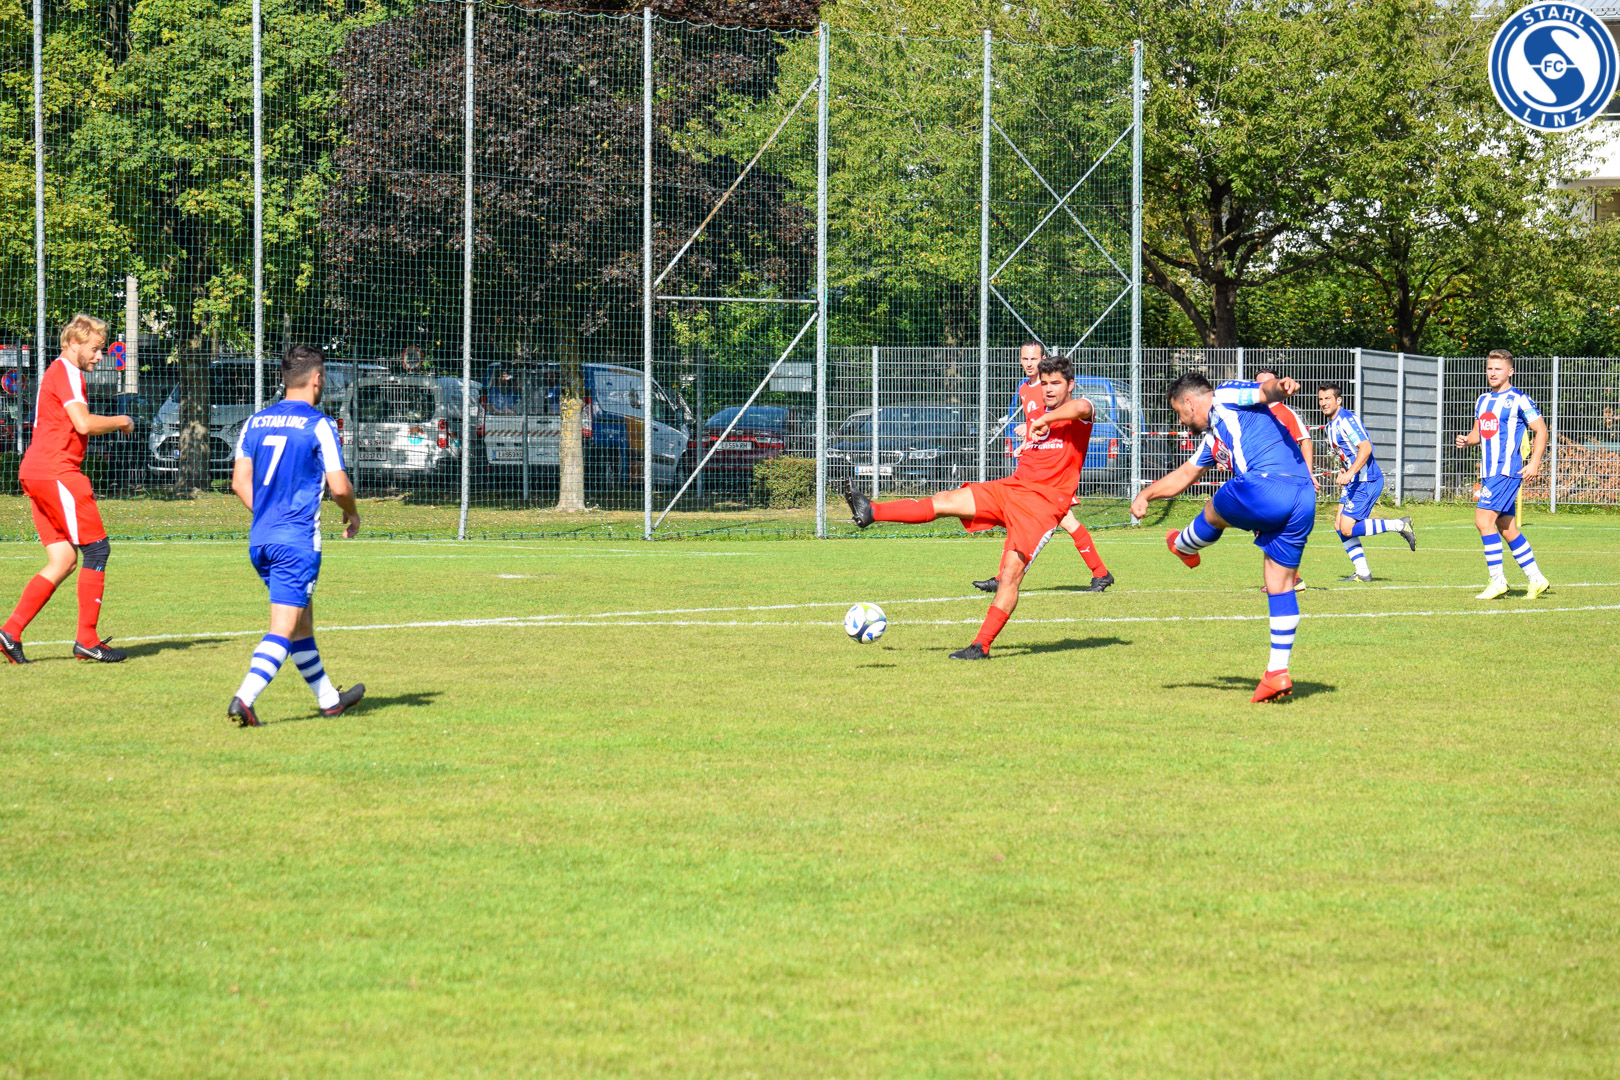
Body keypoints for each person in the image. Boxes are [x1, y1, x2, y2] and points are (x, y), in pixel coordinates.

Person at [844, 354, 1096, 660]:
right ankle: (872, 511)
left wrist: (1043, 420)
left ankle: (980, 646)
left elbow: (1081, 407)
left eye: (1055, 383)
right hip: (1011, 489)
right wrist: (1029, 438)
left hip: (1042, 507)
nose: (1049, 389)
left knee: (1011, 575)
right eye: (1044, 384)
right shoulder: (1039, 415)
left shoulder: (1079, 414)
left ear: (1070, 385)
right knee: (946, 500)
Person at [1129, 372, 1315, 703]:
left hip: (1266, 484)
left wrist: (1280, 387)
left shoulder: (1224, 395)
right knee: (1280, 584)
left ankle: (1183, 545)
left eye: (1179, 413)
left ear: (1190, 402)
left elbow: (1264, 391)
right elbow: (1185, 474)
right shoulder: (1215, 437)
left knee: (1215, 504)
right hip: (1304, 498)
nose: (1182, 421)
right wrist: (1146, 494)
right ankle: (1277, 673)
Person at [226, 345, 366, 727]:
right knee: (284, 628)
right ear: (317, 379)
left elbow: (239, 482)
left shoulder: (254, 423)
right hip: (296, 542)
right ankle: (244, 698)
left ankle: (329, 700)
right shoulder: (319, 424)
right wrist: (352, 512)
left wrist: (269, 515)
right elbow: (339, 487)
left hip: (261, 539)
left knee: (302, 623)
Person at [0, 314, 134, 665]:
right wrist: (122, 421)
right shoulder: (68, 372)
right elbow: (83, 423)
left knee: (63, 560)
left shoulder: (58, 372)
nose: (100, 356)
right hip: (56, 471)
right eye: (95, 349)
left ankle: (9, 633)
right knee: (97, 550)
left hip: (35, 471)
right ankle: (87, 640)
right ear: (73, 344)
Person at [972, 340, 1113, 595]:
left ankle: (1099, 572)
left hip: (1054, 472)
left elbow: (1065, 415)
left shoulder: (1048, 389)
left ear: (1043, 359)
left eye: (1034, 359)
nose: (1029, 364)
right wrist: (1025, 445)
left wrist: (1036, 427)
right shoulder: (1024, 389)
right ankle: (1100, 573)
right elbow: (1037, 427)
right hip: (1036, 468)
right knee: (1045, 520)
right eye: (1025, 359)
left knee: (1054, 521)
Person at [1455, 349, 1549, 600]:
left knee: (1483, 521)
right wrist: (1467, 440)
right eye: (1490, 368)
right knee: (1506, 528)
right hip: (1489, 473)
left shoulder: (1519, 399)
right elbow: (1478, 433)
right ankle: (1537, 578)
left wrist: (1534, 462)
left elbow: (1541, 430)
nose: (1493, 373)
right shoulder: (1483, 400)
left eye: (1498, 369)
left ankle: (1498, 582)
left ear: (1510, 371)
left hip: (1506, 471)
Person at [1317, 382, 1416, 581]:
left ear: (1339, 400)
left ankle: (1399, 524)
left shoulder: (1347, 420)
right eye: (1320, 399)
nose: (1324, 403)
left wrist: (1350, 472)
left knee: (1347, 528)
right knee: (1339, 525)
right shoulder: (1330, 426)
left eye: (1328, 398)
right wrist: (1344, 469)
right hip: (1354, 480)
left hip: (1366, 480)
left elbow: (1366, 447)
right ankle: (1362, 572)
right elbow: (1349, 453)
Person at [1252, 366, 1315, 591]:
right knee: (1263, 528)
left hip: (1281, 482)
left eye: (1268, 382)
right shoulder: (1251, 411)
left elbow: (1305, 440)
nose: (1264, 387)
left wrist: (1308, 474)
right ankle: (1288, 579)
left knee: (1269, 527)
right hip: (1257, 480)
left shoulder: (1285, 412)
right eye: (1259, 383)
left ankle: (1291, 579)